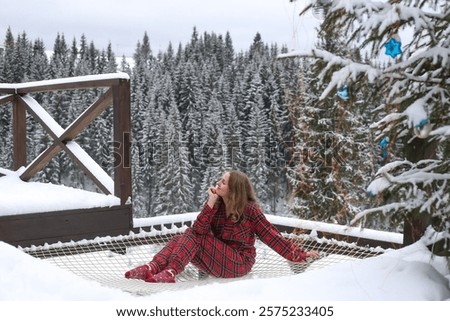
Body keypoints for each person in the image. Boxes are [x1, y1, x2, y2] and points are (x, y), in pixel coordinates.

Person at [125, 170, 320, 283]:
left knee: (192, 236)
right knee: (182, 237)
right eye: (219, 181)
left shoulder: (249, 210)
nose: (218, 184)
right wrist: (210, 202)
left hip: (239, 263)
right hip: (215, 260)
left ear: (234, 189)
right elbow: (197, 231)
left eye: (223, 182)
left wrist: (300, 256)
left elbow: (272, 237)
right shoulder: (216, 204)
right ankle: (153, 267)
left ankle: (170, 272)